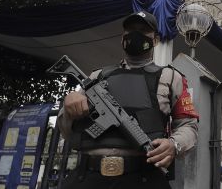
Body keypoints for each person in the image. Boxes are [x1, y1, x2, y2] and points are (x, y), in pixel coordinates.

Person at [57, 10, 199, 188]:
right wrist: (69, 107)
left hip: (144, 177)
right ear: (122, 38)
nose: (136, 35)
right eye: (130, 30)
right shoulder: (97, 76)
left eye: (142, 30)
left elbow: (189, 125)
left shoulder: (171, 77)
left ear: (155, 40)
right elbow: (66, 130)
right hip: (87, 177)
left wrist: (173, 144)